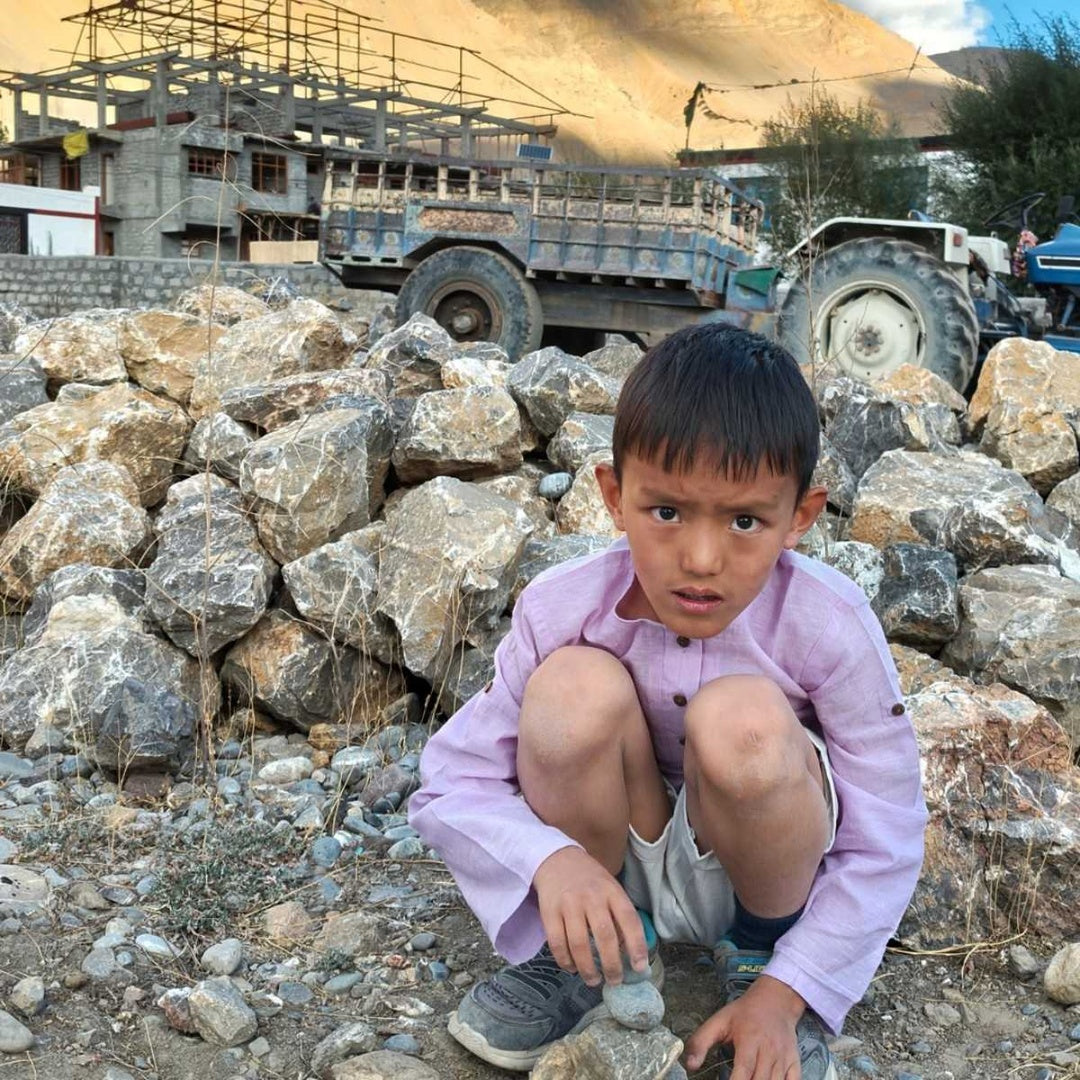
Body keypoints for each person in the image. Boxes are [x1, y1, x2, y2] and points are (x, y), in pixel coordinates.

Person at [409, 323, 927, 1078]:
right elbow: (451, 782)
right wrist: (551, 863)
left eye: (745, 520)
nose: (702, 559)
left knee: (741, 719)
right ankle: (599, 953)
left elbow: (887, 829)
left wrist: (792, 989)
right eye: (667, 512)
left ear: (801, 518)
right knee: (569, 689)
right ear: (614, 497)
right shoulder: (561, 608)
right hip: (611, 867)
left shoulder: (830, 625)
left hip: (771, 878)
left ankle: (758, 960)